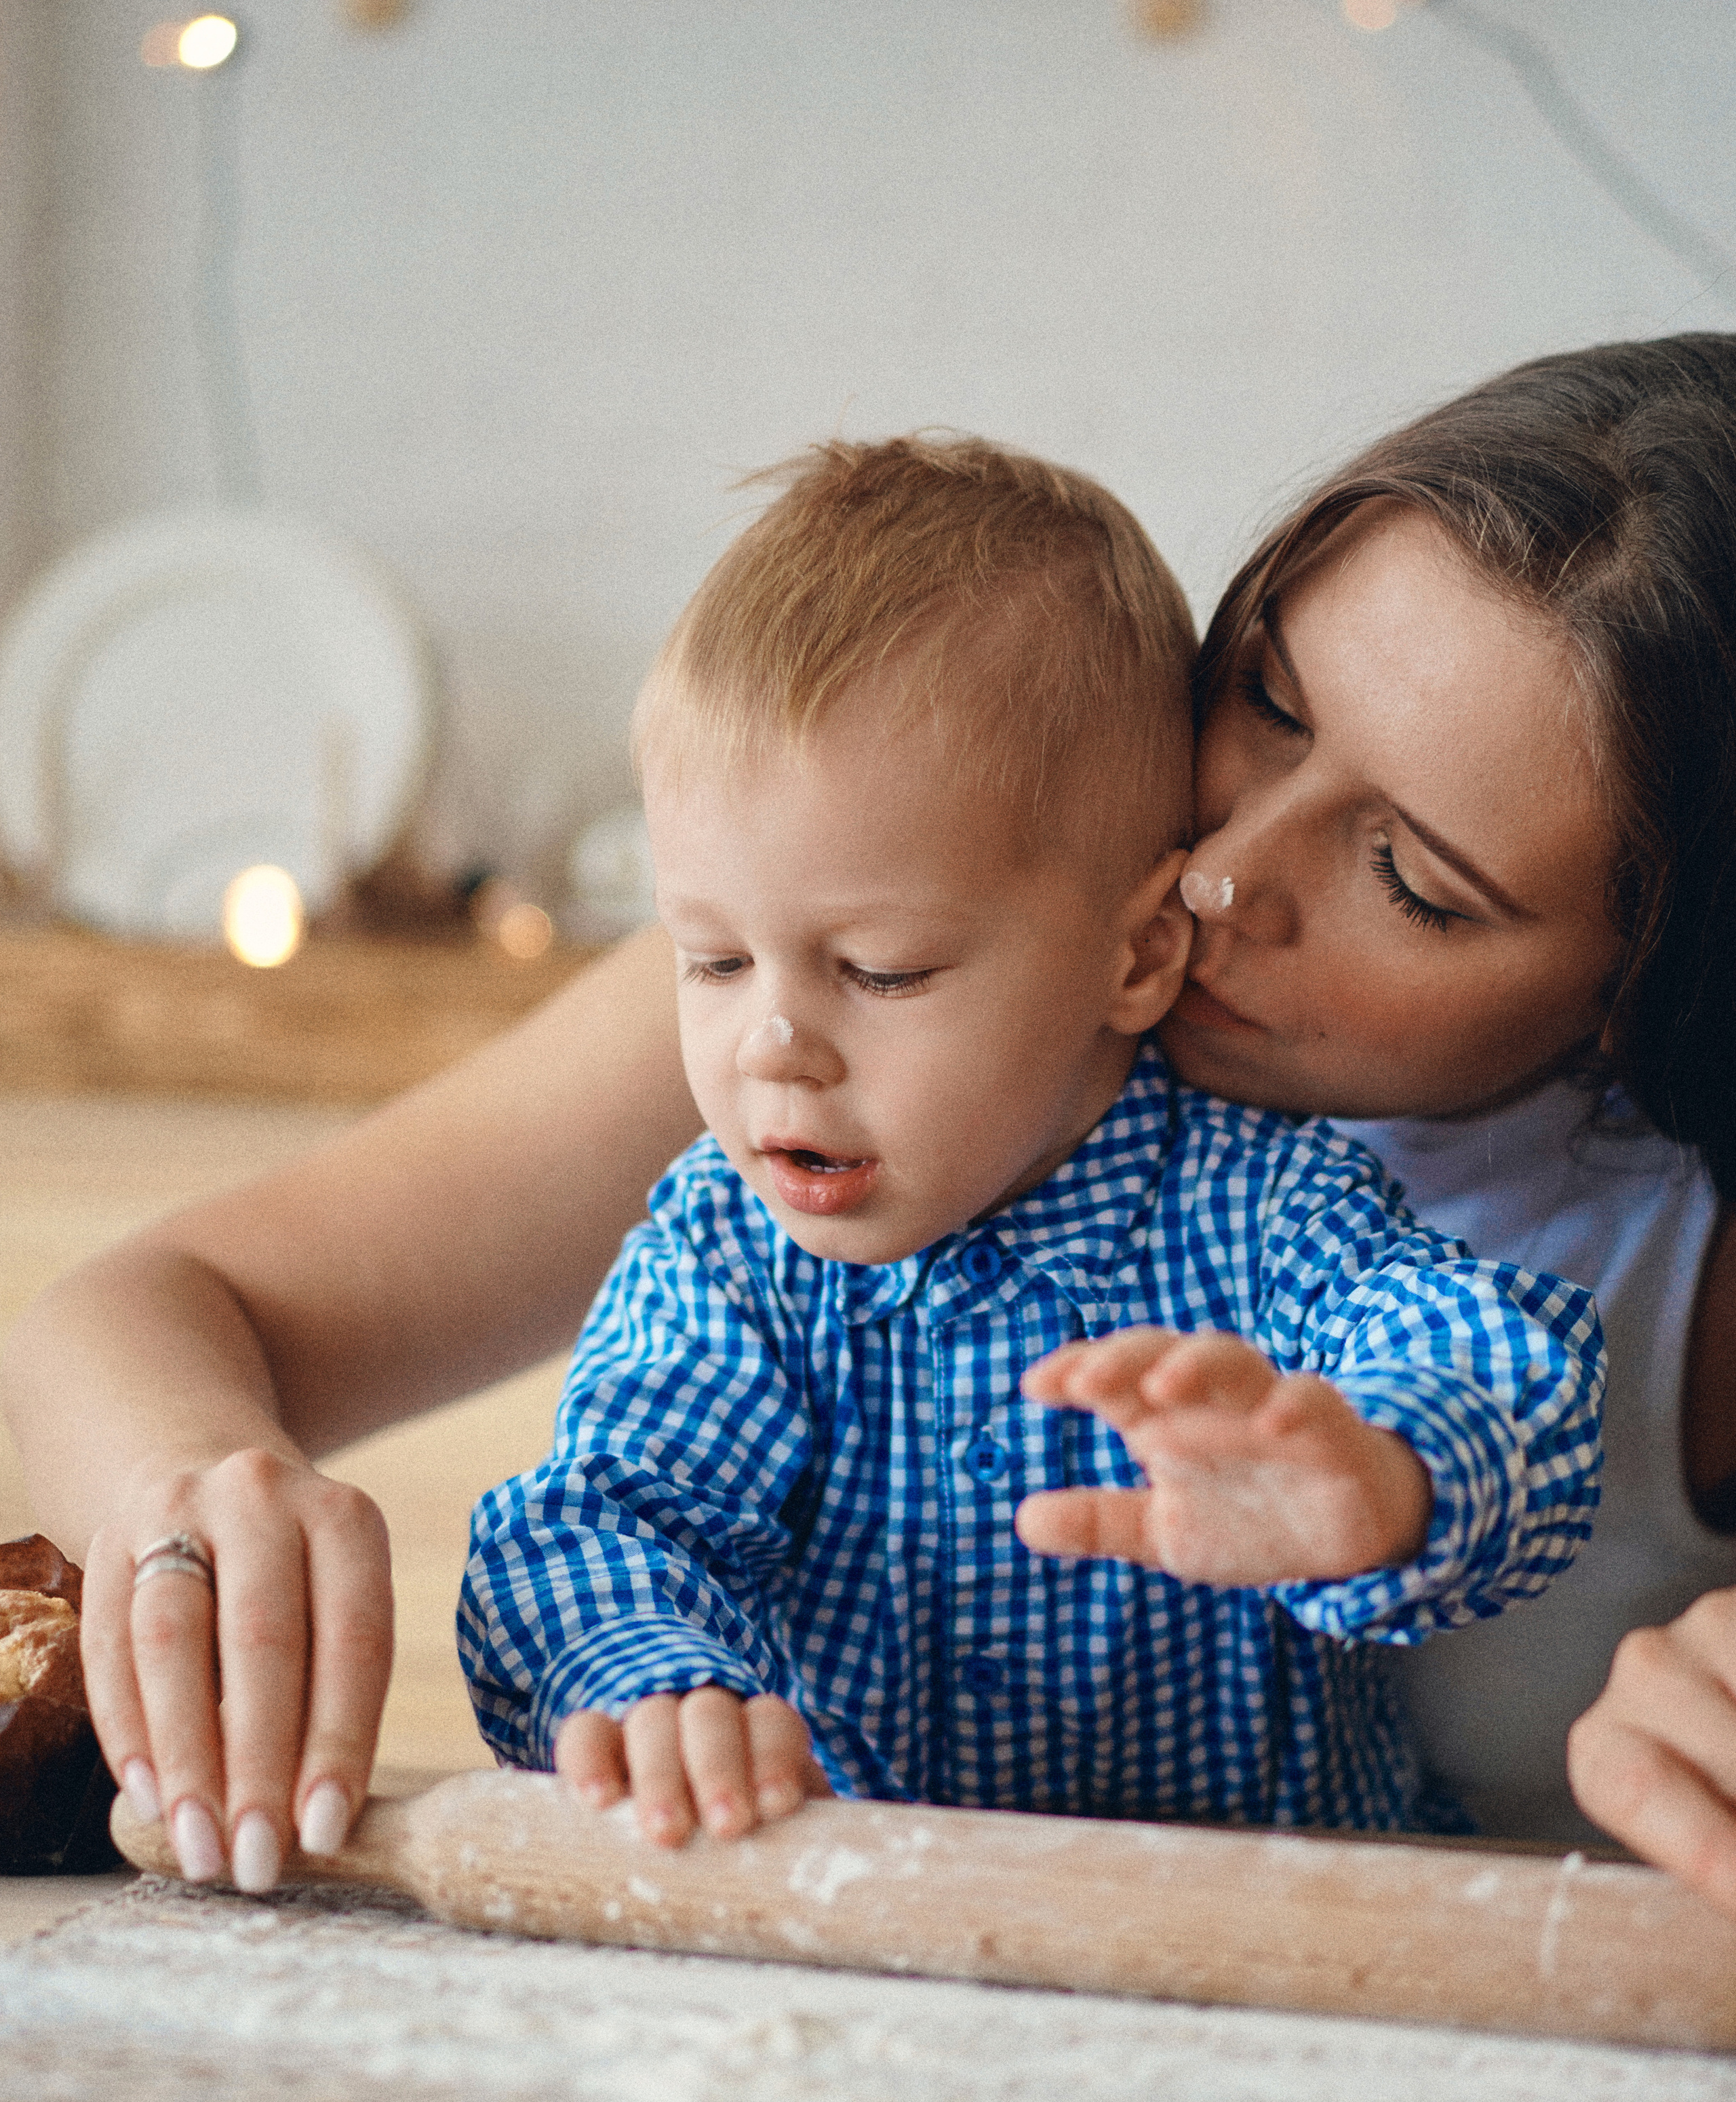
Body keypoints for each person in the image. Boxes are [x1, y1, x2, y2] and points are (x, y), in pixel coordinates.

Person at [5, 333, 1733, 1895]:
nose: (1213, 878)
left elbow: (1491, 1369)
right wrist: (195, 1497)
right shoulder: (838, 969)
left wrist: (1389, 1474)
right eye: (1265, 699)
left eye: (1407, 881)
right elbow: (142, 1317)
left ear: (1640, 989)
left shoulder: (1479, 1221)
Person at [460, 435, 1600, 1846]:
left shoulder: (1253, 1203)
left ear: (1133, 956)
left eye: (880, 971)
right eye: (708, 960)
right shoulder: (729, 1253)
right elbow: (600, 1519)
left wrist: (1382, 1468)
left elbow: (1497, 1355)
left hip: (1264, 1960)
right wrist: (650, 1682)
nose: (772, 1044)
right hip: (869, 1958)